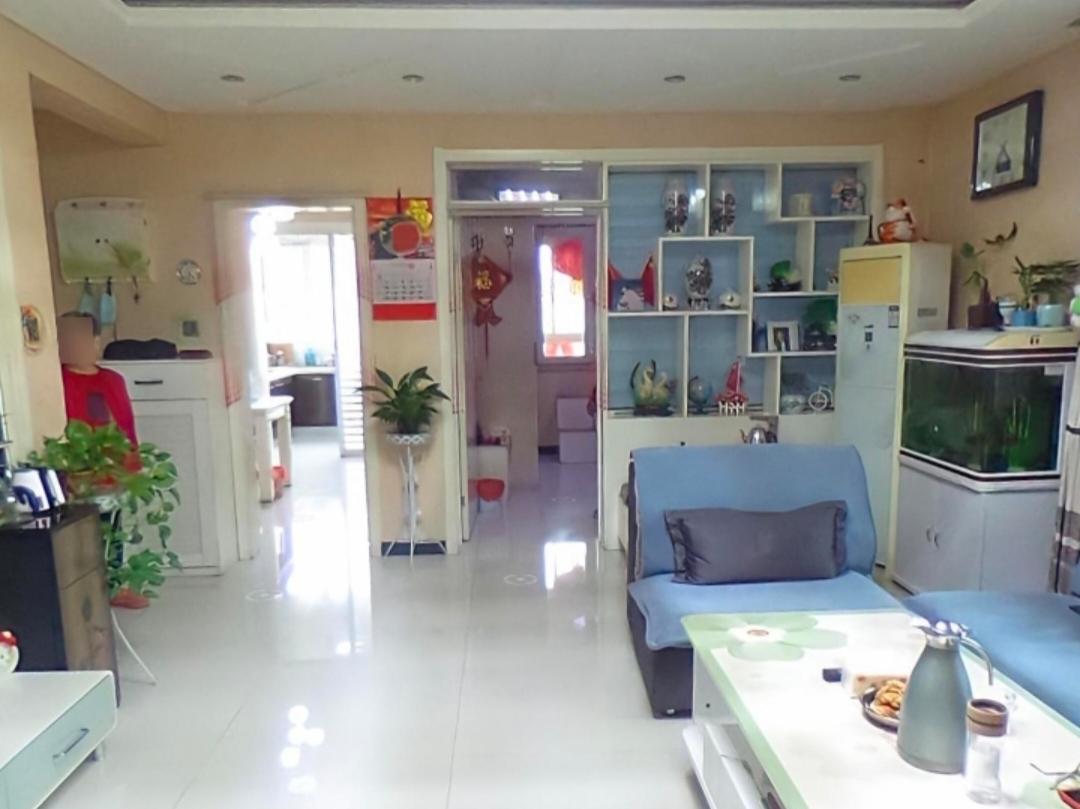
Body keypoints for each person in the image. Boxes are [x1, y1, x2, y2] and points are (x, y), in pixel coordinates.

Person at [57, 312, 138, 445]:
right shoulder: (56, 381)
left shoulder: (114, 380)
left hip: (115, 455)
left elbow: (128, 431)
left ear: (96, 341)